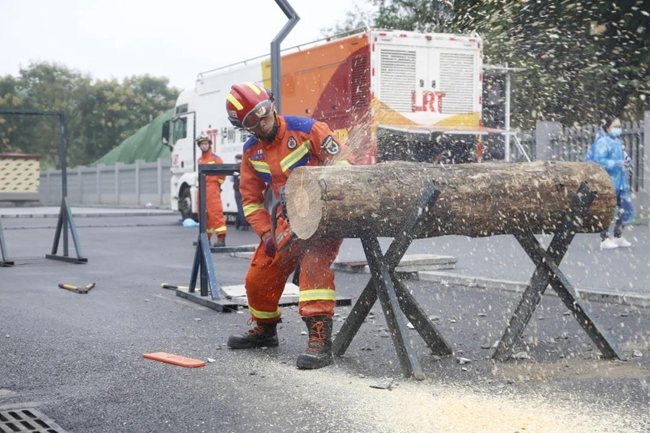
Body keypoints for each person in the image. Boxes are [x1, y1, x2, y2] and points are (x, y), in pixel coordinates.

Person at [224, 82, 353, 369]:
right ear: (245, 126)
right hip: (288, 220)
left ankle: (320, 340)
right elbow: (250, 200)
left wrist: (322, 190)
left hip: (325, 216)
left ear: (271, 105)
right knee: (259, 275)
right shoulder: (251, 152)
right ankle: (265, 330)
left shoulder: (308, 129)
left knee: (313, 268)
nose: (263, 123)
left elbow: (346, 164)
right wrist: (266, 234)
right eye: (253, 121)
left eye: (265, 113)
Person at [585, 117, 635, 250]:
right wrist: (616, 164)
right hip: (607, 181)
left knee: (627, 209)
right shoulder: (602, 143)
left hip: (621, 182)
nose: (618, 129)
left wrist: (627, 162)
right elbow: (599, 161)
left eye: (619, 126)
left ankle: (618, 235)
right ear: (607, 127)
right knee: (607, 211)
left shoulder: (617, 142)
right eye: (615, 126)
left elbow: (623, 157)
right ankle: (604, 238)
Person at [196, 134, 227, 247]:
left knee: (215, 212)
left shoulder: (216, 159)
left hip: (212, 188)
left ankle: (221, 238)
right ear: (199, 146)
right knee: (203, 214)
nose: (204, 146)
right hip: (201, 187)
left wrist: (216, 185)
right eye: (202, 144)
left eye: (205, 144)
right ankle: (205, 238)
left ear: (209, 145)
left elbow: (222, 175)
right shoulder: (200, 159)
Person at [232, 153, 249, 231]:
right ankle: (238, 223)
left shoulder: (234, 168)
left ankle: (244, 224)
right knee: (245, 207)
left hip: (237, 190)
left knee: (240, 207)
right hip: (245, 189)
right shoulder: (246, 166)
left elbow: (231, 179)